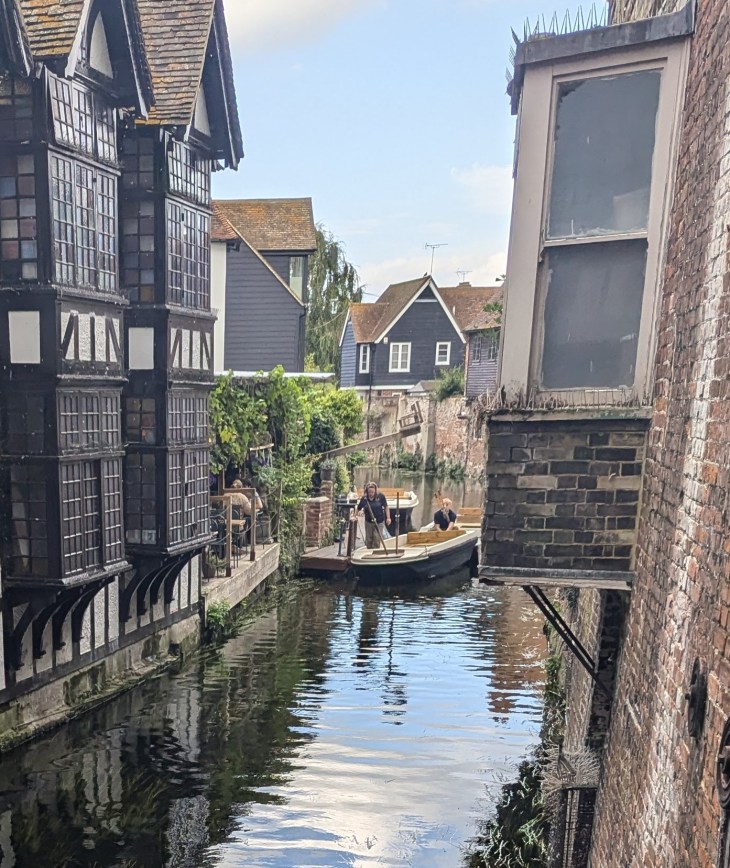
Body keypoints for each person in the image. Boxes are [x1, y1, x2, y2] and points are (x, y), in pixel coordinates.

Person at [356, 481, 391, 549]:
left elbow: (386, 507)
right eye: (369, 492)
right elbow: (358, 508)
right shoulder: (364, 498)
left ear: (375, 491)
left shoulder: (381, 496)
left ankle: (375, 552)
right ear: (367, 491)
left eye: (372, 492)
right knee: (369, 539)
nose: (371, 494)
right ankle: (369, 551)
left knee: (377, 538)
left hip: (379, 521)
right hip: (368, 522)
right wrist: (355, 516)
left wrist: (388, 518)